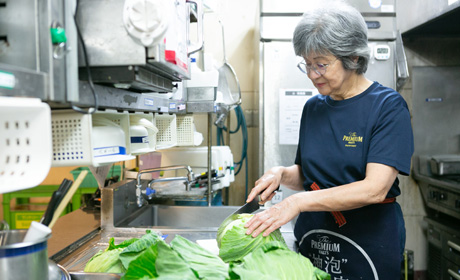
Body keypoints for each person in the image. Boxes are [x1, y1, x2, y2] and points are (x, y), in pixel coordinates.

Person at [244, 1, 414, 279]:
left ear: (354, 58)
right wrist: (280, 173)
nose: (312, 74)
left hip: (369, 240)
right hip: (316, 236)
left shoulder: (388, 107)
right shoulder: (314, 107)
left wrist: (296, 203)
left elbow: (375, 189)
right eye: (307, 64)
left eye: (321, 64)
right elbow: (309, 174)